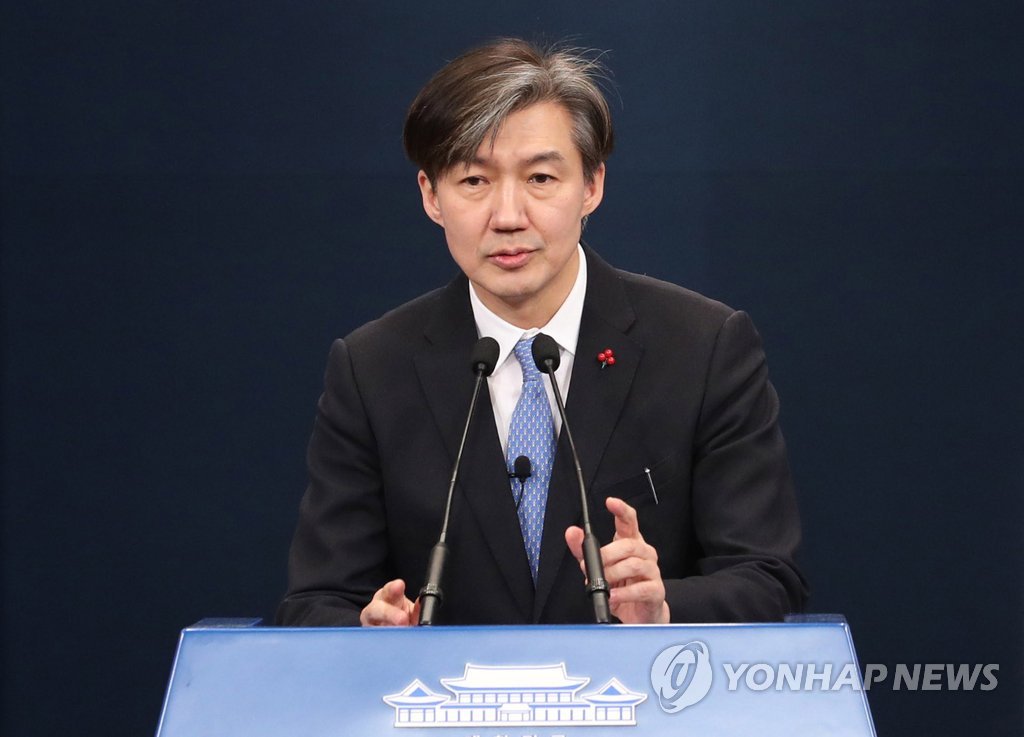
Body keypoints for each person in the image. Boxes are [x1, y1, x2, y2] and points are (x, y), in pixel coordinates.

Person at [276, 38, 807, 627]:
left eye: (541, 178)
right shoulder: (372, 369)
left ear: (592, 186)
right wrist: (367, 634)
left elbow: (766, 577)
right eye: (474, 181)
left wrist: (663, 609)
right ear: (431, 195)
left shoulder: (703, 348)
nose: (508, 216)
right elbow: (315, 601)